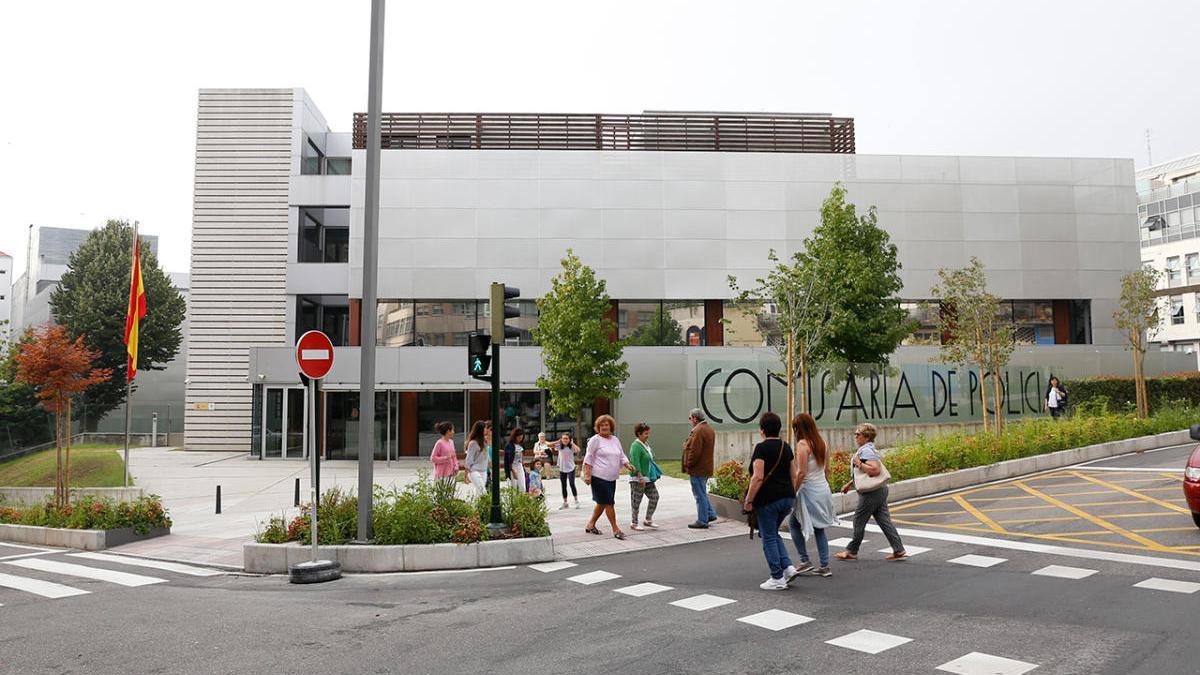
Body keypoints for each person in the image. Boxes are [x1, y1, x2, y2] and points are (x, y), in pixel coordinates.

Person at [741, 412, 799, 591]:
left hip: (768, 500)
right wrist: (791, 495)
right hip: (787, 498)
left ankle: (777, 577)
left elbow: (757, 477)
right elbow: (794, 474)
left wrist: (749, 500)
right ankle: (788, 567)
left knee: (768, 537)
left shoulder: (761, 448)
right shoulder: (786, 446)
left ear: (762, 430)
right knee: (773, 533)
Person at [836, 423, 907, 561]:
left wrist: (859, 463)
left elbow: (875, 470)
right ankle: (898, 549)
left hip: (870, 493)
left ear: (867, 437)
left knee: (858, 520)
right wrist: (850, 484)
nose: (855, 437)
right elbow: (864, 474)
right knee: (884, 521)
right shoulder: (869, 449)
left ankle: (852, 551)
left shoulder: (866, 451)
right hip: (879, 490)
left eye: (858, 434)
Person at [787, 413, 835, 577]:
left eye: (795, 428)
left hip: (808, 491)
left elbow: (801, 473)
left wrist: (793, 491)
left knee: (793, 523)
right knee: (820, 528)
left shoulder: (803, 445)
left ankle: (805, 560)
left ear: (799, 428)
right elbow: (827, 470)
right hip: (822, 488)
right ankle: (824, 565)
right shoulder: (822, 443)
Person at [582, 414, 638, 541]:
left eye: (606, 425)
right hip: (599, 477)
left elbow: (621, 455)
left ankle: (590, 525)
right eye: (601, 425)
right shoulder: (595, 440)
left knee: (602, 503)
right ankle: (615, 529)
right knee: (609, 503)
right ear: (598, 427)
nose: (604, 427)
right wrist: (587, 475)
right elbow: (589, 457)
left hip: (611, 478)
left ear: (611, 426)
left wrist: (627, 464)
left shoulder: (615, 439)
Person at [682, 408, 718, 529]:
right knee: (702, 492)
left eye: (690, 418)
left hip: (698, 469)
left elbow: (695, 451)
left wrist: (688, 464)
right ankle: (710, 514)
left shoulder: (698, 431)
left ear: (695, 418)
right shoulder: (709, 429)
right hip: (706, 468)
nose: (690, 420)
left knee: (699, 495)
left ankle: (703, 520)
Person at [627, 422, 662, 530]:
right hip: (638, 478)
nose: (648, 435)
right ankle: (634, 523)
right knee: (636, 501)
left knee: (655, 497)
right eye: (646, 433)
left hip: (648, 478)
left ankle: (648, 519)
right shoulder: (636, 445)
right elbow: (635, 461)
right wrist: (640, 476)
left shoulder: (646, 444)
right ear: (639, 434)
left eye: (648, 433)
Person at [554, 432, 582, 510]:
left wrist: (572, 443)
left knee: (572, 484)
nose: (565, 440)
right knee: (563, 485)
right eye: (563, 438)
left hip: (571, 468)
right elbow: (549, 445)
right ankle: (565, 503)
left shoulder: (571, 447)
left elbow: (578, 450)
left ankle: (576, 501)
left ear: (570, 439)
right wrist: (558, 441)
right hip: (562, 468)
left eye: (566, 438)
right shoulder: (560, 446)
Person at [464, 421, 491, 497]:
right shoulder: (473, 443)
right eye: (485, 428)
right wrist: (466, 475)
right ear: (480, 430)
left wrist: (491, 468)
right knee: (483, 492)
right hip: (474, 471)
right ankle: (487, 508)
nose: (486, 430)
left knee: (479, 494)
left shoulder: (485, 442)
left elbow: (487, 456)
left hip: (484, 471)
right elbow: (469, 459)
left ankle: (476, 508)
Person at [429, 421, 460, 486]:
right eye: (452, 430)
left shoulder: (451, 442)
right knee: (441, 495)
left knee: (450, 494)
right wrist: (446, 458)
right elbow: (433, 458)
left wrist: (456, 467)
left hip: (451, 474)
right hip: (441, 475)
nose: (454, 432)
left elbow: (454, 457)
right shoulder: (439, 443)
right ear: (448, 431)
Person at [505, 428, 527, 494]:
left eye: (521, 437)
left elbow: (521, 456)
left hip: (520, 466)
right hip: (513, 467)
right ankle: (513, 502)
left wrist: (523, 465)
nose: (520, 439)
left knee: (522, 487)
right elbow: (508, 459)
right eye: (519, 437)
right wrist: (513, 470)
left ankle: (522, 501)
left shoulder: (521, 445)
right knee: (513, 487)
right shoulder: (509, 446)